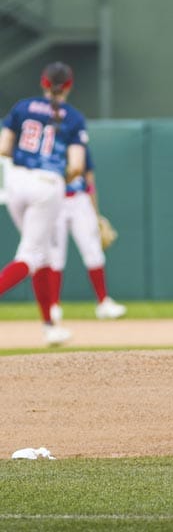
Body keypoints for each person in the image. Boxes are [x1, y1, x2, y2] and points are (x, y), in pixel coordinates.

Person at [0, 61, 86, 346]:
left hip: (15, 181)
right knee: (30, 256)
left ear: (44, 82)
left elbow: (3, 147)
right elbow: (77, 165)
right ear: (69, 85)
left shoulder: (23, 107)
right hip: (46, 185)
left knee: (44, 255)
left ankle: (50, 327)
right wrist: (58, 172)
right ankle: (49, 326)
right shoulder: (73, 117)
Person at [49, 141, 126, 323]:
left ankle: (103, 303)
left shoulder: (78, 142)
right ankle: (53, 306)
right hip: (55, 201)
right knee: (55, 256)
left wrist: (95, 213)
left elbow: (89, 178)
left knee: (93, 251)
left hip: (79, 200)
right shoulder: (48, 143)